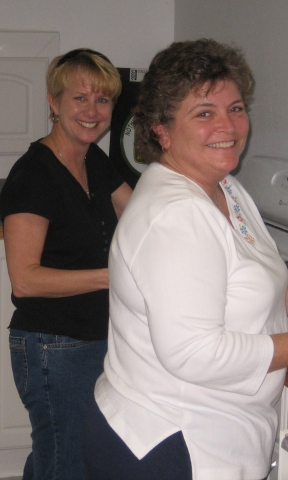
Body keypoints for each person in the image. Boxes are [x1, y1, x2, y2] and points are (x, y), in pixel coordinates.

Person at [83, 39, 288, 480]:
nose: (228, 125)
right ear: (161, 130)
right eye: (204, 113)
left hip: (211, 434)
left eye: (236, 108)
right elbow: (194, 353)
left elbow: (241, 297)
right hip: (173, 443)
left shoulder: (222, 187)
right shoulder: (175, 216)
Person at [0, 48, 132, 480]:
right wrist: (116, 277)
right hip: (53, 347)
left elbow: (141, 214)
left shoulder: (93, 158)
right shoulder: (33, 175)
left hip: (95, 339)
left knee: (58, 453)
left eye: (103, 100)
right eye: (80, 98)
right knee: (67, 463)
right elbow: (25, 280)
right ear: (53, 103)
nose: (92, 111)